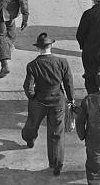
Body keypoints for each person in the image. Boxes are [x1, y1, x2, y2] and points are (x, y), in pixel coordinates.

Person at [22, 33, 74, 176]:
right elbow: (68, 83)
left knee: (32, 123)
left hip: (39, 100)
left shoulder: (33, 65)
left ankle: (29, 139)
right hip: (57, 101)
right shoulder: (62, 62)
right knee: (56, 133)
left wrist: (32, 97)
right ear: (51, 46)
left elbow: (28, 86)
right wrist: (71, 99)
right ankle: (56, 164)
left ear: (38, 48)